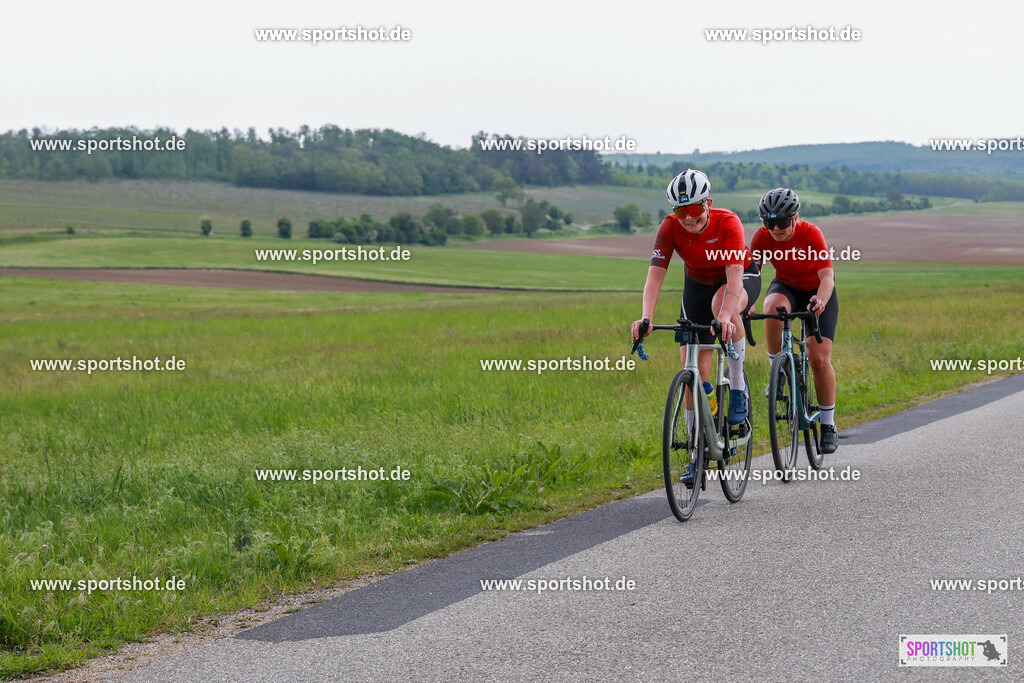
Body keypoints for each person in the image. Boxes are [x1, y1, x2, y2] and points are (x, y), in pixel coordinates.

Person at [631, 169, 761, 485]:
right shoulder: (670, 227)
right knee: (693, 377)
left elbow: (733, 275)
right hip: (697, 286)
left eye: (693, 210)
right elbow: (655, 274)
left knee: (722, 309)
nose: (688, 218)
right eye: (680, 211)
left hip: (739, 279)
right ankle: (697, 455)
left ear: (708, 204)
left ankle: (738, 386)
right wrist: (645, 316)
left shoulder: (727, 222)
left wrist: (728, 316)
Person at [751, 188, 839, 454]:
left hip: (816, 291)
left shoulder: (811, 233)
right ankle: (777, 371)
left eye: (782, 222)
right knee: (771, 306)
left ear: (795, 217)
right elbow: (751, 277)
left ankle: (827, 425)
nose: (776, 229)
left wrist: (821, 300)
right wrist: (746, 301)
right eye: (769, 223)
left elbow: (827, 278)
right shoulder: (762, 237)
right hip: (786, 286)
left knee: (818, 357)